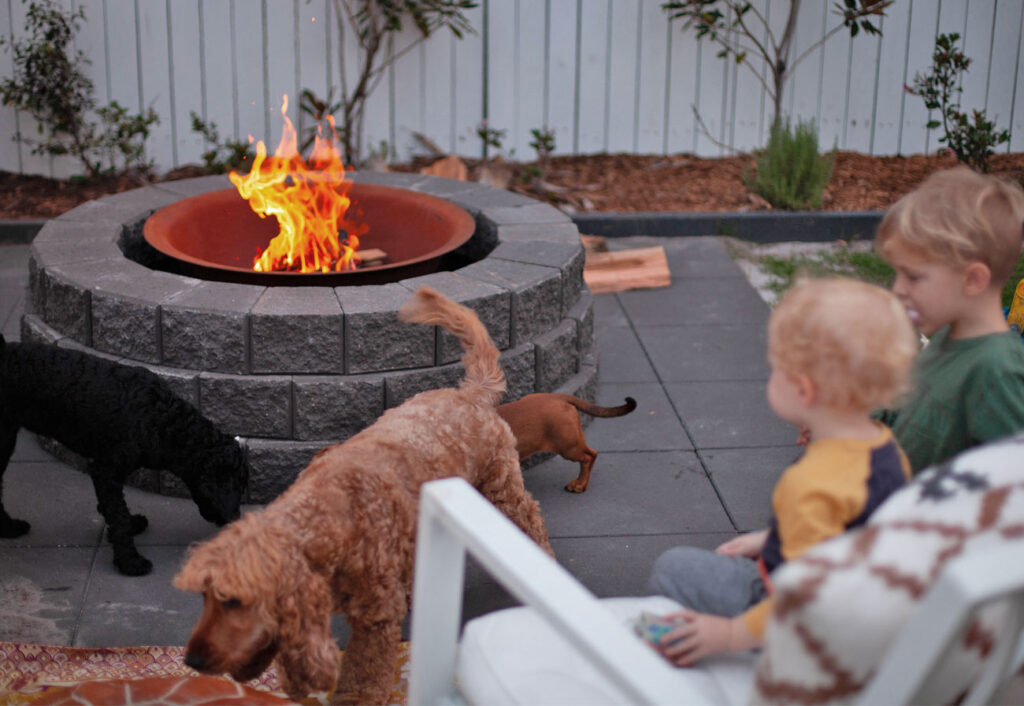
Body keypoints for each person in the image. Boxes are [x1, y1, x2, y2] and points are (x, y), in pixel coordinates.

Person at [646, 276, 918, 666]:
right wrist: (775, 536)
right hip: (869, 607)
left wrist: (727, 635)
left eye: (774, 368)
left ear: (803, 391)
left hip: (812, 628)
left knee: (673, 568)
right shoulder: (888, 447)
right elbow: (856, 526)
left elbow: (806, 603)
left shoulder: (808, 483)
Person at [873, 166, 1024, 473]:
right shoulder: (946, 337)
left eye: (913, 277)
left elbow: (1012, 485)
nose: (897, 289)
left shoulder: (996, 371)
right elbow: (908, 411)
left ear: (973, 280)